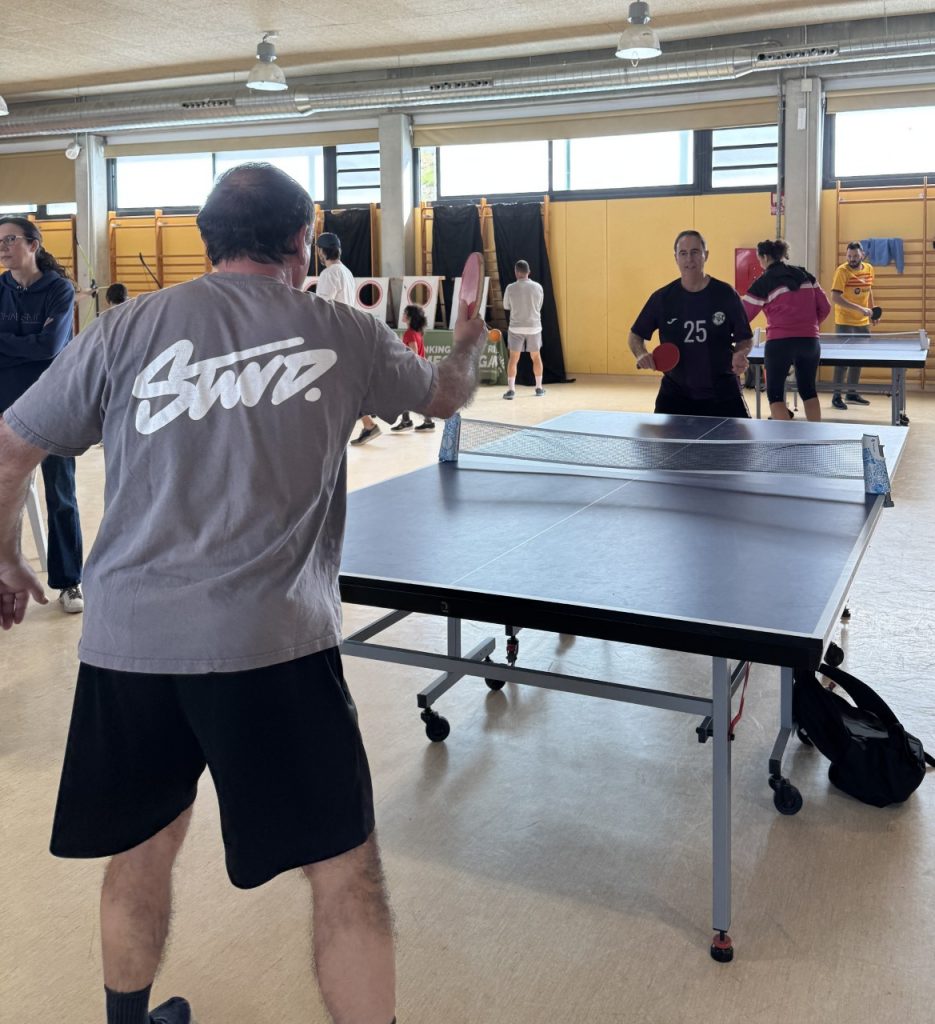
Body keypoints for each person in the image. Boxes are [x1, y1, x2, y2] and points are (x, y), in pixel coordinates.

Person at [0, 162, 488, 1024]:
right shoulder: (342, 329)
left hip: (128, 646)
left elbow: (10, 450)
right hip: (272, 645)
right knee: (343, 869)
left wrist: (6, 557)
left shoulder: (126, 327)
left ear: (206, 242)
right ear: (302, 242)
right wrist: (469, 337)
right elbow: (445, 397)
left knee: (141, 848)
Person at [0, 217, 84, 613]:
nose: (3, 248)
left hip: (52, 404)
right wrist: (27, 344)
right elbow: (37, 345)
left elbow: (50, 346)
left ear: (33, 244)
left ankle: (69, 581)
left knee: (60, 494)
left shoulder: (58, 290)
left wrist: (7, 344)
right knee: (5, 494)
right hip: (5, 404)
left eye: (10, 239)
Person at [629, 230, 753, 418]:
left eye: (695, 252)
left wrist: (740, 353)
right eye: (683, 253)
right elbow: (635, 335)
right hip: (675, 395)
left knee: (736, 439)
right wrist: (641, 353)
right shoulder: (662, 298)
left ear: (706, 255)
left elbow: (745, 338)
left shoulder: (726, 294)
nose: (689, 259)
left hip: (723, 394)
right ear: (676, 258)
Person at [741, 239, 831, 422]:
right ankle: (816, 432)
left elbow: (743, 316)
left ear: (765, 257)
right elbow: (825, 307)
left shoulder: (763, 282)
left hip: (779, 344)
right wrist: (809, 325)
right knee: (808, 390)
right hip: (810, 342)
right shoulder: (806, 276)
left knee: (775, 396)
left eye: (759, 258)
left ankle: (786, 437)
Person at [316, 231, 382, 447]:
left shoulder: (328, 274)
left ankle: (347, 427)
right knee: (343, 386)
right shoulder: (346, 272)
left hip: (334, 336)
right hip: (349, 333)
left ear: (322, 251)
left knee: (336, 386)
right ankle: (367, 424)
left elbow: (322, 308)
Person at [830, 241, 877, 411]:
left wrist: (872, 311)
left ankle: (851, 393)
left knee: (858, 359)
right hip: (845, 321)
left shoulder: (869, 269)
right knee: (842, 361)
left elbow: (868, 290)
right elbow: (835, 297)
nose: (852, 259)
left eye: (855, 256)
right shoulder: (842, 271)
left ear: (862, 255)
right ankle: (836, 396)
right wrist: (859, 309)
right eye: (849, 256)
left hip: (862, 321)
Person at [501, 259, 546, 400]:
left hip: (516, 327)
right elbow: (539, 306)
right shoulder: (538, 287)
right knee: (536, 357)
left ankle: (511, 390)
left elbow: (506, 306)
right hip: (534, 327)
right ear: (529, 272)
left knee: (513, 359)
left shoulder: (510, 288)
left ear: (516, 272)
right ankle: (539, 388)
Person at [391, 304, 435, 432]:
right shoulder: (417, 332)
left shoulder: (410, 333)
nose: (403, 315)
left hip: (414, 371)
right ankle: (426, 422)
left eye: (405, 313)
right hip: (421, 370)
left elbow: (413, 354)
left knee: (403, 396)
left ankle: (408, 422)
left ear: (409, 316)